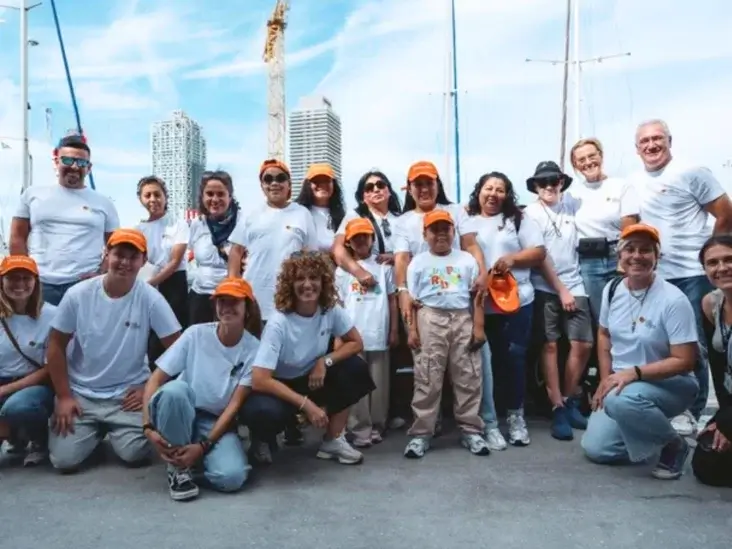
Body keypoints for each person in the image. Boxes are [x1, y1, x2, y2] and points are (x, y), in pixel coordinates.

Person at [45, 229, 182, 472]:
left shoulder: (151, 298)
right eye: (119, 254)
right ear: (106, 254)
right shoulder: (77, 294)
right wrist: (64, 396)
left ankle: (106, 432)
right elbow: (55, 345)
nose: (125, 262)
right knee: (63, 461)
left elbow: (178, 348)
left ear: (143, 261)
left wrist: (150, 387)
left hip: (126, 396)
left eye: (133, 256)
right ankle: (92, 435)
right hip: (81, 394)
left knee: (136, 455)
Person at [634, 119, 732, 435]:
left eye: (657, 138)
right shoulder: (635, 182)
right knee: (667, 347)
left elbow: (725, 213)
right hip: (658, 277)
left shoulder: (692, 171)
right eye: (644, 141)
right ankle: (678, 408)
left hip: (691, 274)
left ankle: (697, 411)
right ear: (637, 148)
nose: (651, 145)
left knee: (697, 347)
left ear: (669, 140)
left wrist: (709, 256)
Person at [581, 224, 699, 480]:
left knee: (619, 400)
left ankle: (674, 445)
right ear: (619, 257)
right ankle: (649, 427)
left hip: (670, 383)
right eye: (630, 249)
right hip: (624, 384)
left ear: (657, 257)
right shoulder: (612, 290)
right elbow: (604, 334)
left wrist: (632, 374)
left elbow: (686, 360)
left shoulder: (673, 300)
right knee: (598, 449)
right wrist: (605, 378)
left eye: (646, 250)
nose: (637, 256)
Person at [239, 252, 375, 466]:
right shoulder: (279, 322)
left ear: (323, 281)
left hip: (312, 376)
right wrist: (307, 405)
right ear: (290, 284)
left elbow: (356, 342)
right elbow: (260, 379)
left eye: (314, 278)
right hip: (279, 385)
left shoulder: (330, 310)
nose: (307, 284)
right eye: (300, 279)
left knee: (354, 368)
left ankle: (333, 439)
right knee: (261, 411)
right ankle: (262, 440)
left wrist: (325, 361)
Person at [142, 277, 262, 501]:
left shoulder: (254, 349)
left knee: (232, 477)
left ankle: (190, 461)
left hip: (214, 421)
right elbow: (155, 379)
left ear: (247, 308)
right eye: (221, 301)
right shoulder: (195, 334)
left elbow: (235, 405)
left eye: (234, 302)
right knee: (174, 390)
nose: (226, 307)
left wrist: (204, 445)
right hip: (181, 411)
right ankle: (178, 471)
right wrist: (148, 426)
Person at [467, 172, 546, 450]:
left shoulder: (519, 220)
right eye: (488, 188)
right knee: (481, 366)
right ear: (479, 191)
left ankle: (515, 417)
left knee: (514, 358)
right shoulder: (467, 221)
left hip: (517, 301)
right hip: (479, 305)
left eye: (500, 190)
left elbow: (538, 253)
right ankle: (485, 422)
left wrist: (512, 258)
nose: (493, 194)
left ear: (507, 195)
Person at [404, 210, 489, 458]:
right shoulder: (418, 262)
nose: (441, 234)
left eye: (446, 229)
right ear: (425, 234)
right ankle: (422, 433)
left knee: (468, 374)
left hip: (462, 316)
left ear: (454, 232)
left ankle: (471, 430)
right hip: (430, 317)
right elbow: (411, 300)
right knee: (428, 376)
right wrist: (412, 329)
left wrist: (479, 326)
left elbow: (478, 297)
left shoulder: (466, 259)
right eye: (434, 230)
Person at [524, 161, 593, 441]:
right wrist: (561, 290)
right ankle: (557, 406)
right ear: (535, 188)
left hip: (575, 281)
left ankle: (568, 397)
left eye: (554, 180)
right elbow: (539, 257)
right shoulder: (530, 214)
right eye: (543, 183)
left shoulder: (574, 205)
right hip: (545, 285)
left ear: (562, 182)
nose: (549, 186)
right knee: (550, 345)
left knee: (583, 342)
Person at [9, 135, 120, 305]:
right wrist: (25, 275)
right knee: (40, 331)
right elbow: (17, 237)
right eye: (68, 160)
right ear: (56, 162)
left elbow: (115, 245)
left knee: (85, 332)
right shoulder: (32, 195)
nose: (74, 166)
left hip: (86, 284)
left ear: (89, 168)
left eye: (81, 163)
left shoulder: (104, 203)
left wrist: (102, 272)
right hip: (40, 283)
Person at [227, 159, 318, 323]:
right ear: (262, 185)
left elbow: (311, 256)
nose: (274, 183)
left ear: (289, 184)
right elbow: (236, 251)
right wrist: (234, 285)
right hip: (254, 300)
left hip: (291, 300)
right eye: (268, 179)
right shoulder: (250, 214)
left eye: (280, 178)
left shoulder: (302, 213)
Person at [335, 218, 398, 447]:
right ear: (349, 242)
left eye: (366, 236)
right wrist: (339, 336)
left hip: (378, 333)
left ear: (373, 238)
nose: (362, 241)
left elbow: (392, 300)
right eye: (356, 237)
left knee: (379, 385)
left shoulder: (384, 268)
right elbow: (338, 306)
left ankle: (378, 425)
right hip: (353, 338)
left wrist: (393, 330)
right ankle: (359, 428)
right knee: (357, 383)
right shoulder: (343, 271)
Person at [568, 137, 639, 322]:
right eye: (581, 160)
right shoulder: (571, 195)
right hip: (588, 261)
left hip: (618, 255)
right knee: (602, 319)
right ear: (575, 164)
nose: (588, 162)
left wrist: (623, 262)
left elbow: (630, 227)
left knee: (629, 313)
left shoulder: (621, 185)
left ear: (601, 156)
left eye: (592, 156)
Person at [0, 256, 56, 466]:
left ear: (36, 282)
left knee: (18, 407)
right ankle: (16, 436)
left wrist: (6, 390)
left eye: (26, 278)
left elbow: (51, 368)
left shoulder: (51, 315)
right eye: (13, 278)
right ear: (2, 281)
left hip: (34, 384)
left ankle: (39, 439)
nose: (20, 284)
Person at [136, 176, 190, 364]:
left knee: (171, 334)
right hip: (148, 283)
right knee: (149, 335)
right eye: (147, 195)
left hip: (173, 284)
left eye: (157, 194)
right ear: (140, 199)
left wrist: (151, 284)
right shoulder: (139, 229)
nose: (153, 199)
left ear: (165, 197)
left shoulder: (178, 224)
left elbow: (175, 261)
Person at [692, 235, 732, 487]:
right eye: (712, 263)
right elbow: (718, 371)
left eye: (729, 260)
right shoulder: (711, 304)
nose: (721, 268)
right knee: (707, 463)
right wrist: (721, 418)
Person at [188, 171, 244, 325]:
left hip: (231, 296)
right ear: (202, 197)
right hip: (200, 297)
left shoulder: (244, 222)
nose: (215, 199)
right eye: (209, 194)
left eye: (221, 194)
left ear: (230, 197)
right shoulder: (197, 224)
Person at [295, 163, 347, 255]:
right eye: (316, 181)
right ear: (308, 185)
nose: (322, 185)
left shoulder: (342, 216)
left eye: (326, 181)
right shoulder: (298, 212)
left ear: (333, 185)